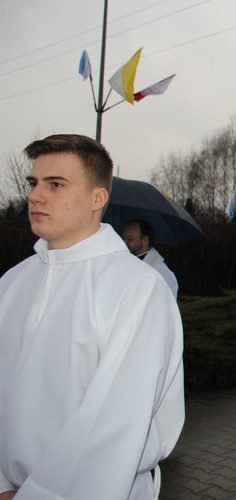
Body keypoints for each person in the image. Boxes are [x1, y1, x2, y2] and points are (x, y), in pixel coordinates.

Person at [0, 134, 184, 499]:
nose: (35, 196)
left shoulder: (137, 288)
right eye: (34, 183)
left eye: (56, 185)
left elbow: (115, 421)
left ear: (97, 198)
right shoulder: (12, 282)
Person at [122, 219, 179, 297]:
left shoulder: (162, 272)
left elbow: (166, 305)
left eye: (129, 239)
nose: (124, 243)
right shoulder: (127, 264)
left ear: (145, 240)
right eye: (123, 239)